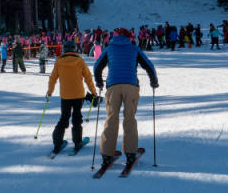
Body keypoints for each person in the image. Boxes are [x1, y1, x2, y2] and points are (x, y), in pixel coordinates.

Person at [94, 30, 159, 169]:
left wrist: (99, 82)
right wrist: (154, 81)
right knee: (129, 118)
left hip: (113, 86)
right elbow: (149, 65)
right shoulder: (134, 48)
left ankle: (106, 155)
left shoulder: (109, 48)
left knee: (111, 118)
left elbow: (97, 66)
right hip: (131, 86)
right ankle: (130, 153)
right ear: (129, 37)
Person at [45, 39, 98, 154]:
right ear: (74, 49)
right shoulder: (79, 60)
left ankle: (57, 143)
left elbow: (53, 78)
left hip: (65, 96)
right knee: (77, 118)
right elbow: (88, 78)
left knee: (64, 118)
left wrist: (49, 92)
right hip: (79, 95)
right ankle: (77, 142)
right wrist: (93, 92)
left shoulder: (59, 61)